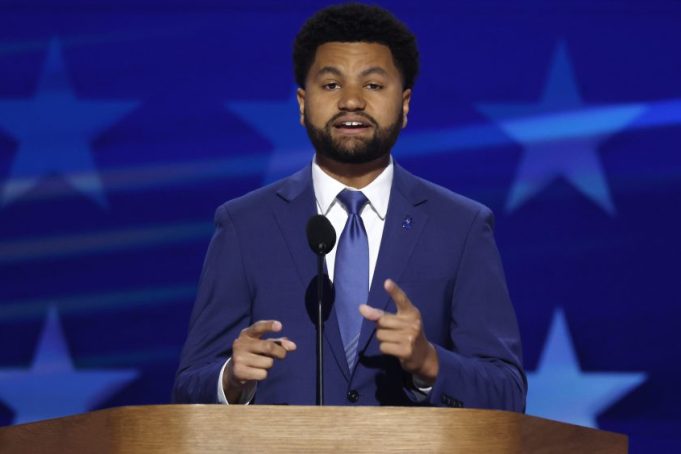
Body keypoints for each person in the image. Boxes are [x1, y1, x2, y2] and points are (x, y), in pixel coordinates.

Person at [173, 3, 526, 410]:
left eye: (373, 85)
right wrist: (229, 380)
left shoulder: (461, 227)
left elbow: (507, 393)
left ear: (406, 104)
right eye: (331, 85)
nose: (352, 101)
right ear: (302, 104)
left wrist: (430, 363)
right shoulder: (244, 225)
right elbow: (188, 390)